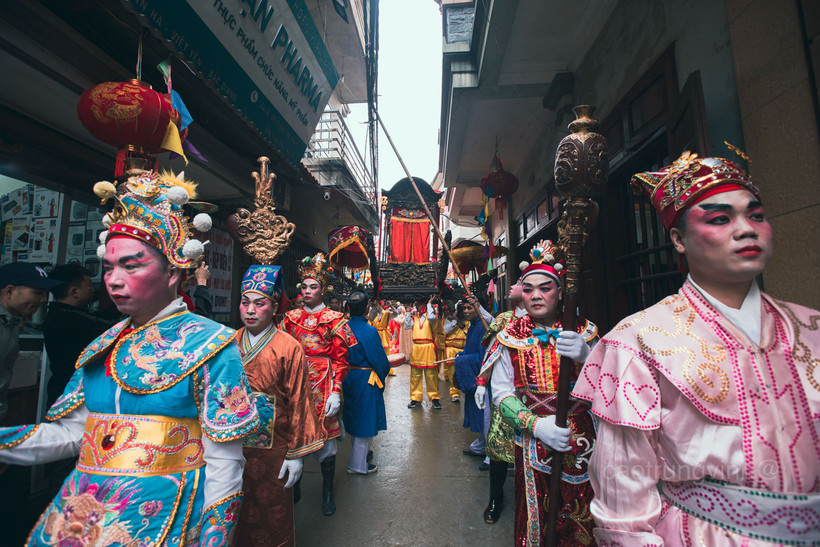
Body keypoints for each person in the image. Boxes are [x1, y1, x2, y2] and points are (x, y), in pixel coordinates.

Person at [573, 151, 820, 545]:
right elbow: (624, 502)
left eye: (755, 215)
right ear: (678, 239)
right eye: (720, 219)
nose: (746, 229)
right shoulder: (637, 340)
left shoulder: (812, 328)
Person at [0, 170, 259, 545]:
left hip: (164, 515)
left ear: (173, 270)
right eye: (109, 267)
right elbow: (74, 433)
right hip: (83, 516)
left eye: (132, 265)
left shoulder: (211, 344)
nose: (114, 280)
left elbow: (224, 460)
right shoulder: (102, 344)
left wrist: (214, 538)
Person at [478, 240, 598, 546]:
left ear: (559, 291)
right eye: (529, 289)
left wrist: (589, 356)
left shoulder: (584, 331)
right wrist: (536, 425)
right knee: (536, 515)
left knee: (585, 510)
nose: (536, 296)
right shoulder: (511, 335)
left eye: (545, 288)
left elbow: (613, 386)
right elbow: (501, 394)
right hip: (532, 439)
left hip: (583, 439)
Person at [234, 265, 323, 547]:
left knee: (271, 517)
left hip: (273, 449)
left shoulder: (289, 347)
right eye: (245, 302)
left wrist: (296, 454)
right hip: (231, 447)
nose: (250, 310)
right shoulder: (227, 343)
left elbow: (299, 401)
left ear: (273, 308)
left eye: (259, 304)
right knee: (230, 513)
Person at [280, 253, 356, 516]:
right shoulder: (290, 318)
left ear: (323, 289)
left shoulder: (335, 318)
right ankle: (295, 487)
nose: (308, 291)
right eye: (305, 286)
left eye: (314, 287)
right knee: (294, 431)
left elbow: (341, 359)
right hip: (295, 381)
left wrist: (336, 391)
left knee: (326, 440)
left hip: (323, 383)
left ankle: (328, 491)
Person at [476, 280, 526, 524]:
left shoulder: (556, 323)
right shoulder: (504, 319)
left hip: (536, 395)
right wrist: (482, 382)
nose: (515, 285)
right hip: (505, 392)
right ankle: (496, 498)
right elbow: (492, 353)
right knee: (498, 448)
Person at [43, 264, 115, 406]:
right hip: (69, 394)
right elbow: (108, 325)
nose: (92, 290)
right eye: (88, 285)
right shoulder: (67, 319)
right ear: (75, 292)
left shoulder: (61, 314)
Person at [0, 262, 62, 422]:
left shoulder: (10, 322)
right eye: (37, 292)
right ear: (10, 291)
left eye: (45, 293)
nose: (43, 300)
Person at [342, 290, 389, 475]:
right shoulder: (369, 331)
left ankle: (358, 457)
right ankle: (357, 465)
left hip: (347, 377)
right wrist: (382, 374)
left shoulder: (342, 328)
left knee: (354, 417)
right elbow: (380, 361)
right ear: (366, 309)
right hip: (365, 379)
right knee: (365, 420)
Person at [452, 297, 487, 462]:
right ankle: (481, 445)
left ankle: (488, 450)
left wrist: (462, 361)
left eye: (470, 308)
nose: (466, 312)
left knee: (484, 414)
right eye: (464, 308)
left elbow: (483, 357)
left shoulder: (482, 327)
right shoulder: (473, 325)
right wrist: (463, 355)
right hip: (474, 375)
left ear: (479, 308)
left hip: (481, 378)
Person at [403, 295, 441, 409]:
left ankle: (434, 398)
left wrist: (429, 303)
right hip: (417, 347)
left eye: (418, 304)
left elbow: (432, 318)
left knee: (431, 375)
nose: (416, 306)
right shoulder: (415, 318)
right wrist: (408, 312)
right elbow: (406, 326)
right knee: (415, 375)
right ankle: (415, 398)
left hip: (428, 347)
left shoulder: (431, 317)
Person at [443, 304, 469, 403]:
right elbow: (446, 330)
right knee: (452, 373)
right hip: (451, 349)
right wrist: (455, 320)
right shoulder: (450, 319)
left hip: (464, 348)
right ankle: (455, 393)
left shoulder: (467, 321)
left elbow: (468, 333)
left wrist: (462, 324)